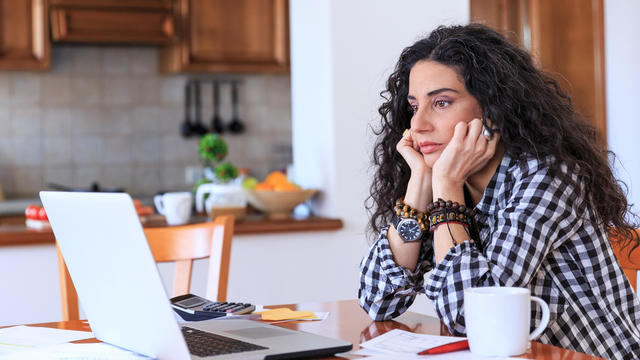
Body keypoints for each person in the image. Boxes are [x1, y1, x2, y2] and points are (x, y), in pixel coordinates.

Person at [358, 23, 640, 359]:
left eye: (442, 103)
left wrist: (445, 188)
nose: (418, 125)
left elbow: (472, 318)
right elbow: (378, 299)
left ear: (493, 109)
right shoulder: (448, 178)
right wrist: (420, 182)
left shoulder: (548, 176)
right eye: (415, 105)